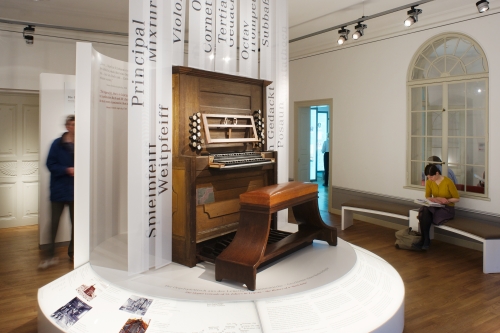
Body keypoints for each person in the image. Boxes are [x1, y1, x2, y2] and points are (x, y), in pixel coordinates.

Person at [39, 115, 75, 269]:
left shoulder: (81, 144)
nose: (74, 127)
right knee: (54, 223)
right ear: (67, 126)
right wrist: (67, 170)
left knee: (76, 224)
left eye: (76, 125)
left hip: (75, 191)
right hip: (59, 190)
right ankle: (51, 254)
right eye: (72, 124)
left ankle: (72, 253)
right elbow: (49, 164)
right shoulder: (57, 144)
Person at [413, 164, 460, 250]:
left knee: (424, 213)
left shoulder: (448, 182)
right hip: (435, 206)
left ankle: (424, 240)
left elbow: (457, 198)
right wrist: (436, 199)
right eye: (428, 177)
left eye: (431, 177)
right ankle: (425, 239)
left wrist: (447, 200)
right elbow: (427, 197)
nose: (430, 179)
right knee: (424, 210)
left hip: (447, 208)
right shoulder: (429, 182)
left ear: (437, 173)